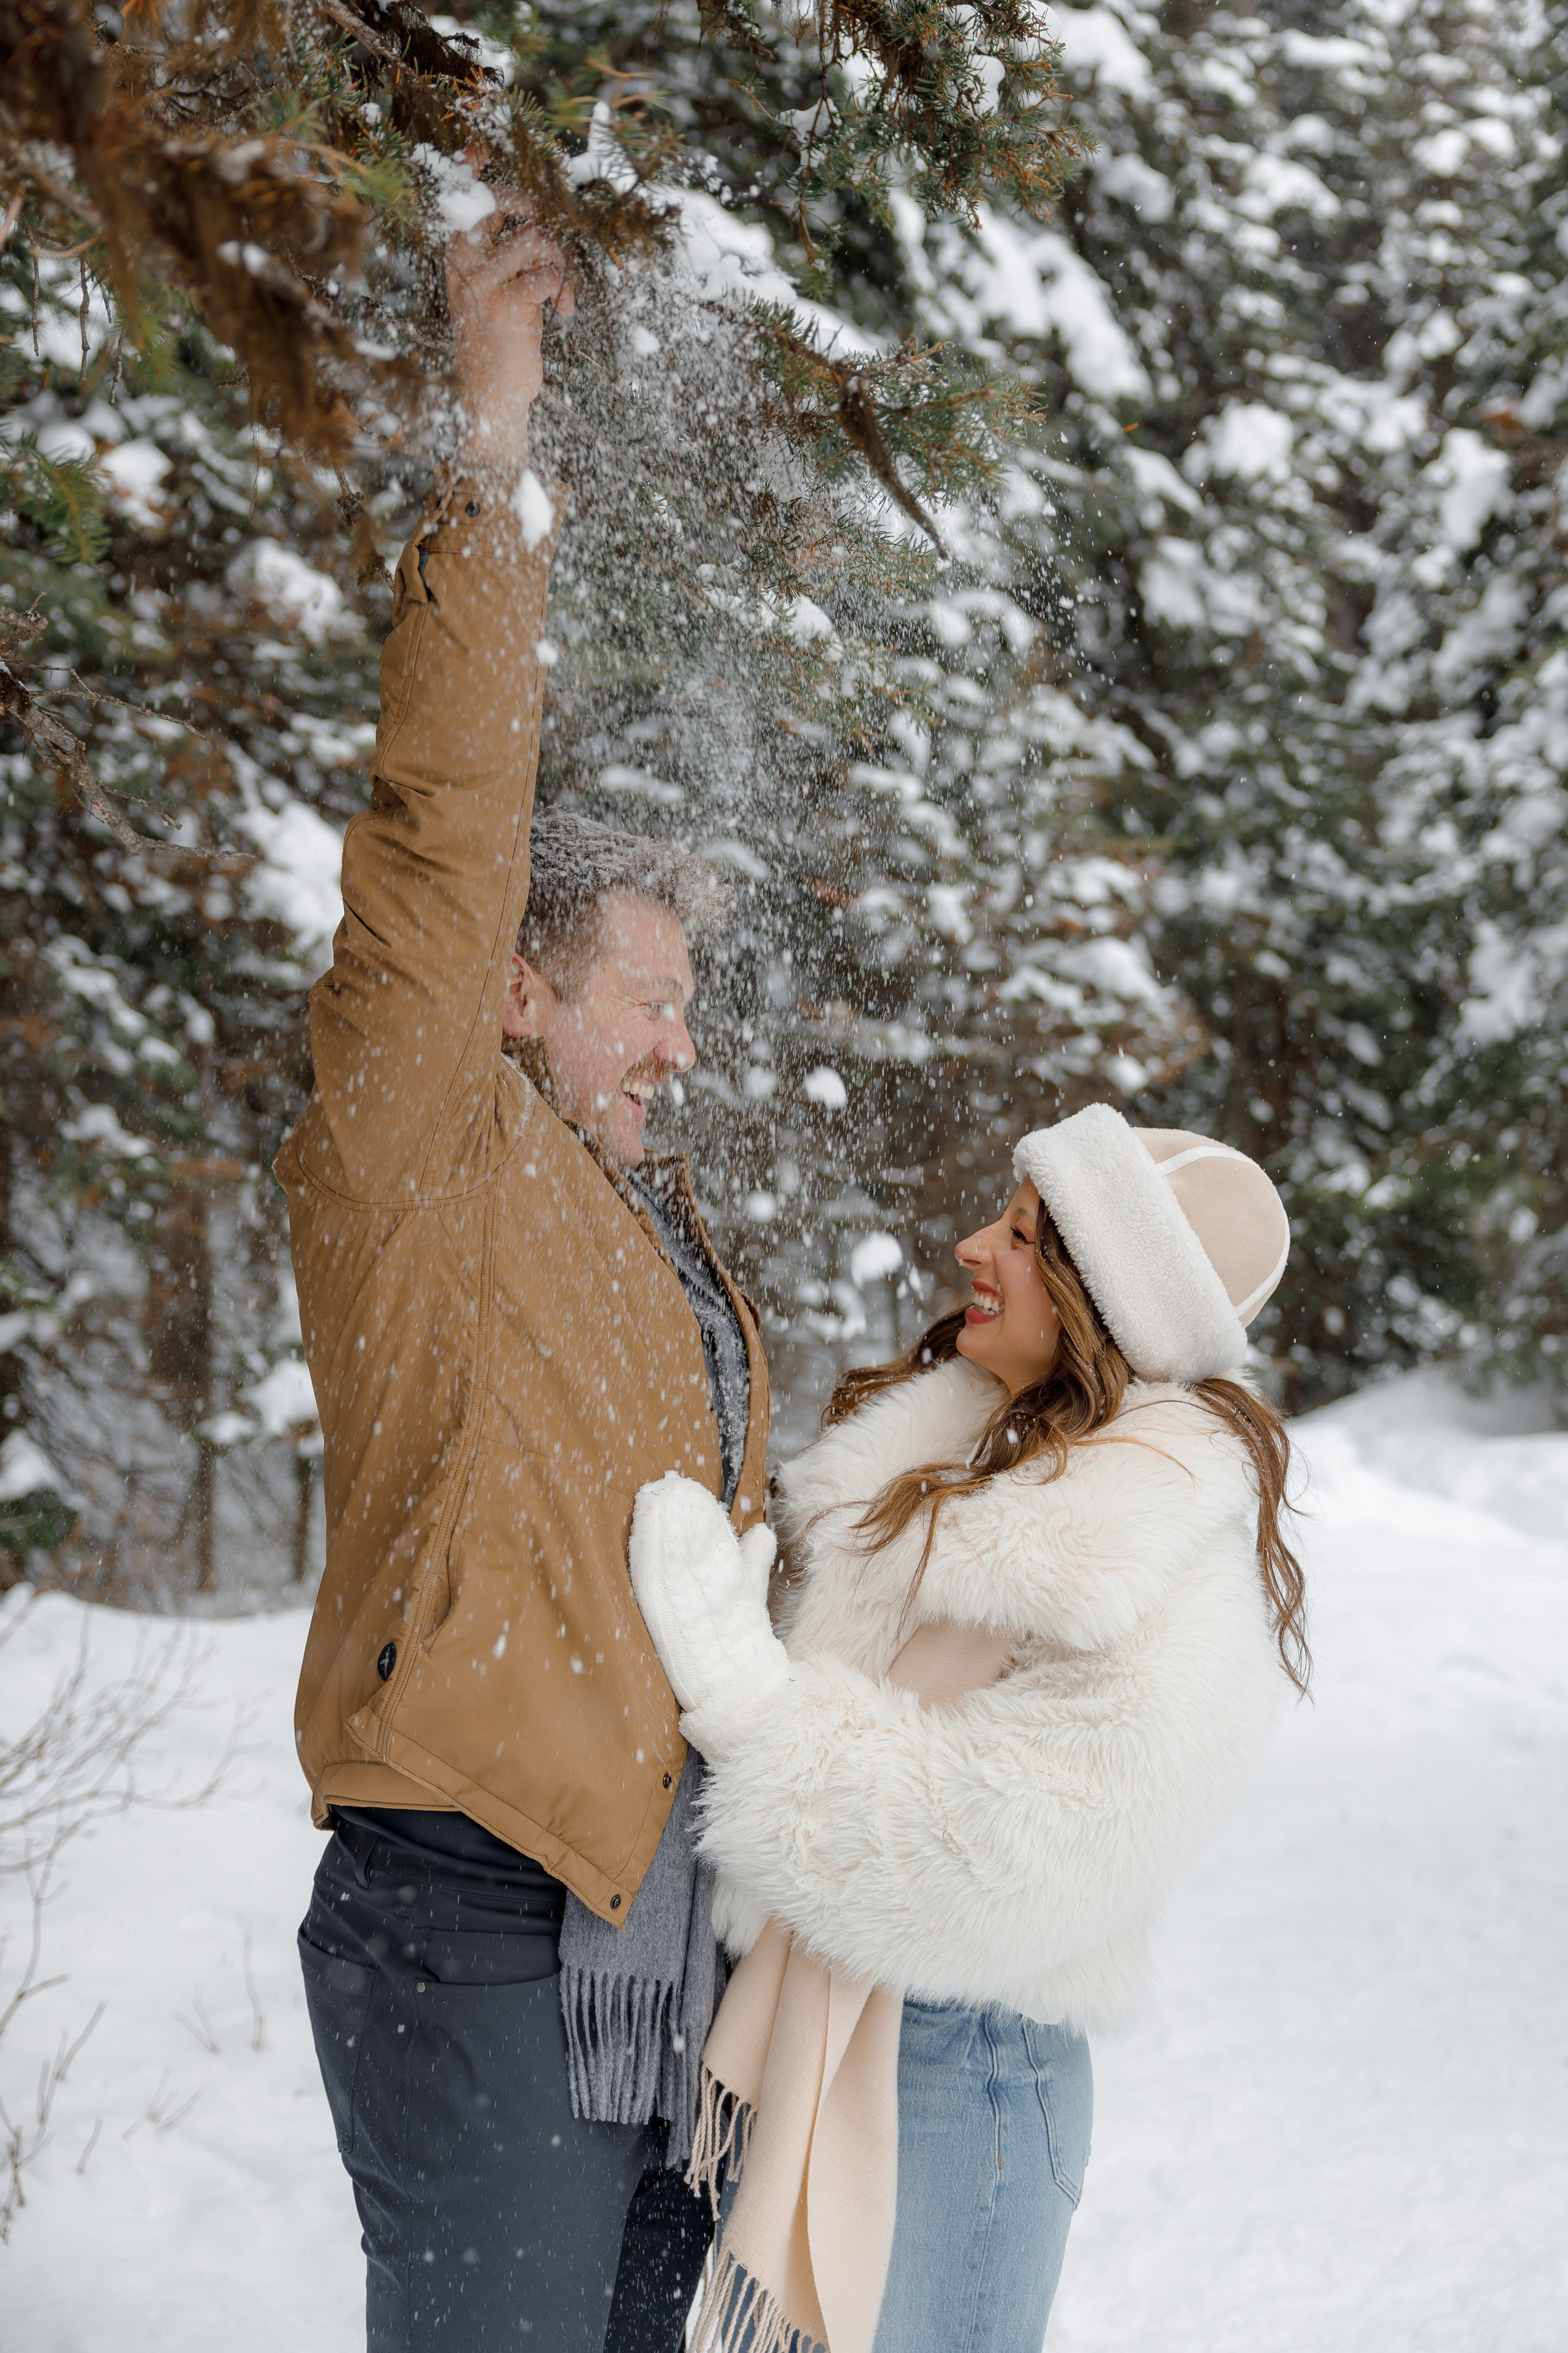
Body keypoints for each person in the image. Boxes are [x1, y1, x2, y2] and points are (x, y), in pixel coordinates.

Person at [279, 186, 770, 2352]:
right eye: (640, 996)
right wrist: (495, 458)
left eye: (688, 1003)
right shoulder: (428, 1137)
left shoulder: (642, 1237)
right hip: (469, 1915)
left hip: (640, 1946)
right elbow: (444, 822)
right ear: (506, 995)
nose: (680, 1043)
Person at [630, 1105, 1306, 2353]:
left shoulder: (1152, 1554)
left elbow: (1012, 1857)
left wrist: (752, 1702)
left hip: (956, 2064)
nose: (965, 1248)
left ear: (1101, 1293)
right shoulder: (969, 1468)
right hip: (826, 2020)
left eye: (1019, 1231)